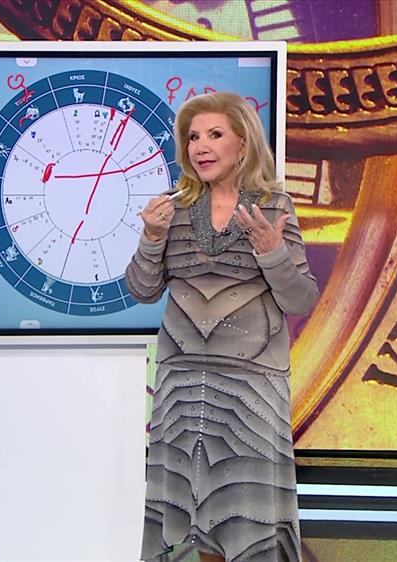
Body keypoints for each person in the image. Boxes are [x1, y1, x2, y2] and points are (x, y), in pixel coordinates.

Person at [126, 92, 319, 562]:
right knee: (190, 515)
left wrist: (273, 253)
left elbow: (301, 299)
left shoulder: (273, 207)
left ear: (243, 144)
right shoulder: (171, 209)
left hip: (250, 392)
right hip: (181, 387)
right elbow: (142, 291)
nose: (201, 146)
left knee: (246, 519)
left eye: (215, 134)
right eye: (193, 137)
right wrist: (152, 238)